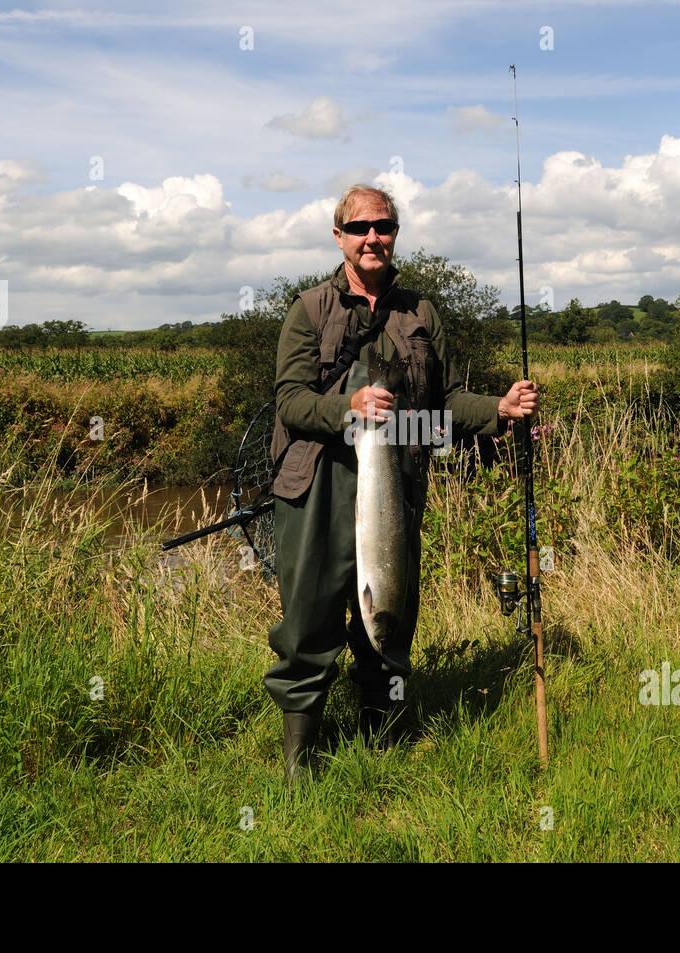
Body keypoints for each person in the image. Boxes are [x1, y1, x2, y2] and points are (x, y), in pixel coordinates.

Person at [265, 184, 539, 781]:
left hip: (394, 483)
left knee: (388, 615)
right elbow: (290, 403)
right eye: (360, 227)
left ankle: (381, 744)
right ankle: (298, 763)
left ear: (394, 234)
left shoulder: (422, 312)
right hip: (318, 485)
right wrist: (349, 406)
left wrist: (499, 408)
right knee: (308, 623)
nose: (373, 238)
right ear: (339, 235)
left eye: (383, 227)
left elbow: (439, 405)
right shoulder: (308, 310)